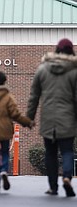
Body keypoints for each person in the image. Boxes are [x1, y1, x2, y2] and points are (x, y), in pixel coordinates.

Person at [26, 38, 77, 197]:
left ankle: (53, 187)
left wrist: (29, 117)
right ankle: (67, 177)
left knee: (50, 153)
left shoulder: (42, 69)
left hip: (48, 119)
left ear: (56, 50)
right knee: (67, 150)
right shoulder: (74, 71)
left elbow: (34, 95)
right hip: (67, 119)